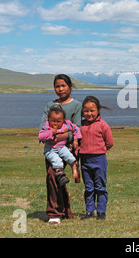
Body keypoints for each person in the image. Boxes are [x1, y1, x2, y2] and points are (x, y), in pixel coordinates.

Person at [39, 74, 82, 225]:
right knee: (58, 178)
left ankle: (54, 213)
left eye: (63, 85)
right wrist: (51, 136)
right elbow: (42, 129)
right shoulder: (49, 106)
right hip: (51, 148)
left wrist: (61, 136)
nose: (60, 89)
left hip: (67, 148)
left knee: (53, 175)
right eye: (57, 86)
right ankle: (65, 210)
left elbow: (76, 129)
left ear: (70, 87)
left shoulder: (76, 105)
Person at [79, 96, 113, 220]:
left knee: (100, 186)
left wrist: (99, 151)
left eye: (92, 110)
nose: (89, 113)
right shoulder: (80, 125)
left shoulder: (103, 125)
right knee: (88, 187)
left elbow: (109, 142)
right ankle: (89, 211)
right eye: (86, 111)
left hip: (99, 159)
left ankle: (101, 211)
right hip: (84, 160)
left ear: (98, 110)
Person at [38, 105, 82, 186]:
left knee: (69, 156)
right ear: (48, 119)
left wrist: (75, 140)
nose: (55, 123)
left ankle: (74, 168)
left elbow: (76, 129)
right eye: (53, 121)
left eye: (58, 121)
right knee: (56, 160)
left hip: (62, 147)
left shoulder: (66, 125)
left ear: (63, 120)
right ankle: (60, 175)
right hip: (50, 149)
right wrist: (51, 133)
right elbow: (40, 136)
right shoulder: (46, 127)